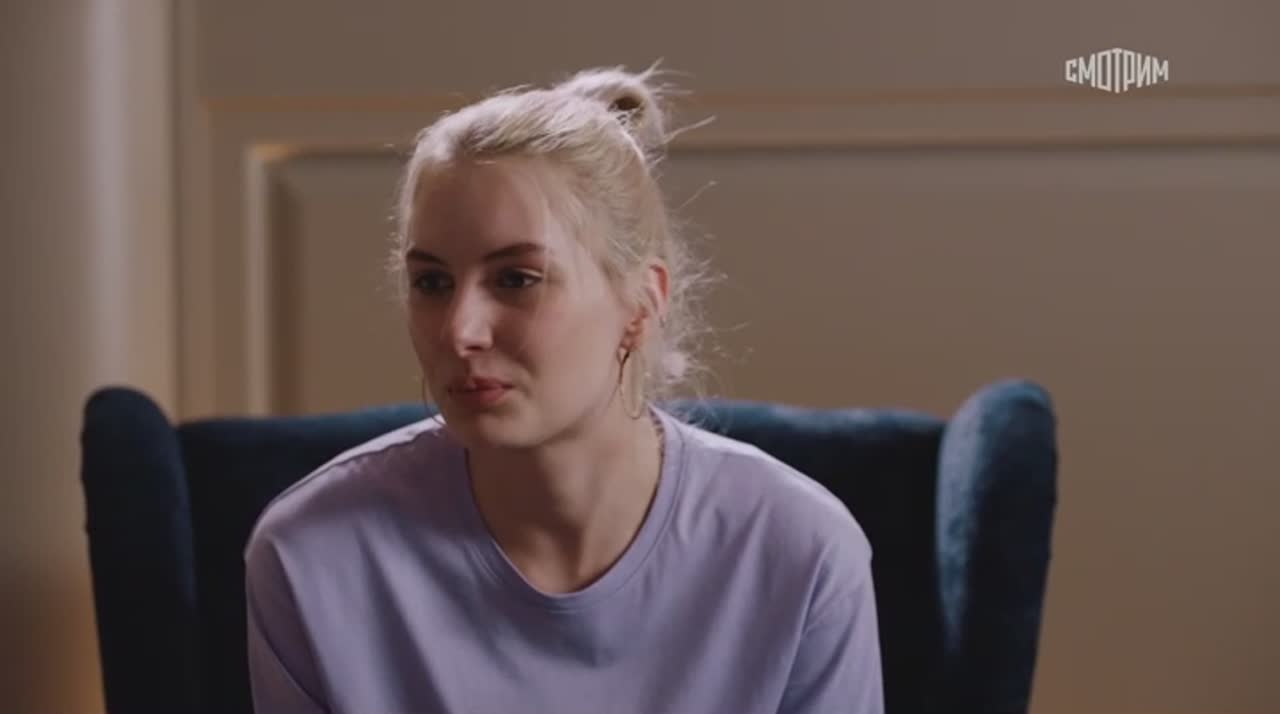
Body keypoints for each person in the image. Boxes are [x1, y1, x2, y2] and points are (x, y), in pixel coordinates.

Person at [244, 63, 884, 714]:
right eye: (432, 283)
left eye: (517, 279)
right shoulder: (311, 554)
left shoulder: (799, 551)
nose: (460, 331)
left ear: (642, 301)